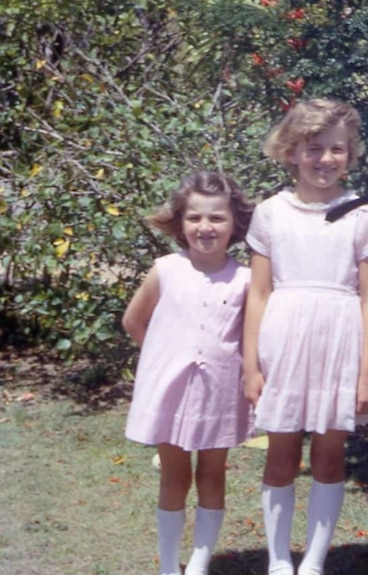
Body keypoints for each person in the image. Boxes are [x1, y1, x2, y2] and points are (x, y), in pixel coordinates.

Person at [243, 98, 368, 575]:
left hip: (341, 343)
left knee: (329, 451)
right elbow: (258, 294)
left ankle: (315, 560)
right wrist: (251, 364)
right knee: (281, 451)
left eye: (337, 150)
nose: (326, 160)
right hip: (283, 341)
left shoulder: (360, 213)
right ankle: (280, 559)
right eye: (313, 149)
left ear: (351, 154)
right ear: (290, 151)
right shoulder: (270, 213)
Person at [123, 170, 255, 575]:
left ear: (235, 223)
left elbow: (251, 338)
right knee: (175, 474)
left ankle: (198, 564)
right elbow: (133, 321)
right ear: (180, 222)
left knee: (212, 472)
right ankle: (168, 565)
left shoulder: (246, 280)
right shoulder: (166, 269)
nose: (205, 227)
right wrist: (160, 358)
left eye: (217, 218)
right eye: (195, 217)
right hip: (171, 390)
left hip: (219, 391)